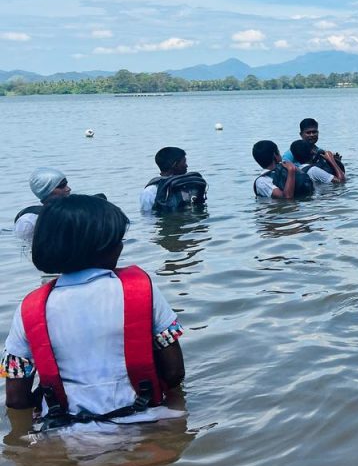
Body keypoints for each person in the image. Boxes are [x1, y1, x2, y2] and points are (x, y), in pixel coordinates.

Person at [2, 195, 185, 427]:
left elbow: (16, 399)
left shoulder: (29, 308)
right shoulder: (141, 290)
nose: (121, 246)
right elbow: (174, 372)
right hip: (144, 423)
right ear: (102, 247)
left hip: (68, 435)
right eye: (118, 240)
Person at [140, 147, 207, 213]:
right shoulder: (187, 186)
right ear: (175, 165)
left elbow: (148, 217)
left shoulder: (149, 191)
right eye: (184, 162)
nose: (186, 165)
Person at [15, 168, 71, 243]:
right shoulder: (29, 220)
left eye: (66, 184)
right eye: (61, 186)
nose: (68, 189)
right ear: (46, 190)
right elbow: (22, 247)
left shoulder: (73, 211)